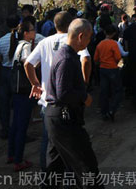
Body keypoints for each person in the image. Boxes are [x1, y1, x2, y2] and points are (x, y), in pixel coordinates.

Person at [23, 11, 90, 172]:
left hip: (48, 101)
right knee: (69, 145)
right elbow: (86, 59)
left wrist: (35, 84)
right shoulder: (72, 41)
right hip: (66, 101)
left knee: (49, 144)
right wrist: (83, 85)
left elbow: (28, 64)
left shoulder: (44, 42)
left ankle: (47, 174)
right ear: (71, 24)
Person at [45, 19, 101, 188]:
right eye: (89, 37)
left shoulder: (68, 55)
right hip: (64, 118)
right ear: (81, 36)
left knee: (54, 168)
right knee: (85, 165)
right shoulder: (66, 59)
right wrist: (84, 97)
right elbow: (63, 93)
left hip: (57, 117)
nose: (90, 41)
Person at [7, 22, 37, 172]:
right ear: (26, 33)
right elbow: (28, 64)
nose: (34, 32)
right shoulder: (25, 46)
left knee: (16, 124)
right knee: (22, 126)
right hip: (24, 91)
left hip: (16, 90)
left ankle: (11, 154)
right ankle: (18, 160)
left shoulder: (18, 46)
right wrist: (35, 82)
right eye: (32, 30)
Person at [94, 24, 127, 122]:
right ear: (114, 34)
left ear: (105, 32)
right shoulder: (113, 44)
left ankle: (104, 112)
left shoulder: (100, 44)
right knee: (118, 90)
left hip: (102, 69)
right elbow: (118, 57)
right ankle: (112, 110)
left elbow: (95, 59)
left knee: (104, 91)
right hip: (112, 69)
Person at [0, 15, 21, 139]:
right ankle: (17, 130)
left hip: (5, 71)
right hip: (16, 71)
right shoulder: (21, 40)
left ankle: (5, 129)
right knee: (18, 102)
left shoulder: (2, 40)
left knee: (4, 102)